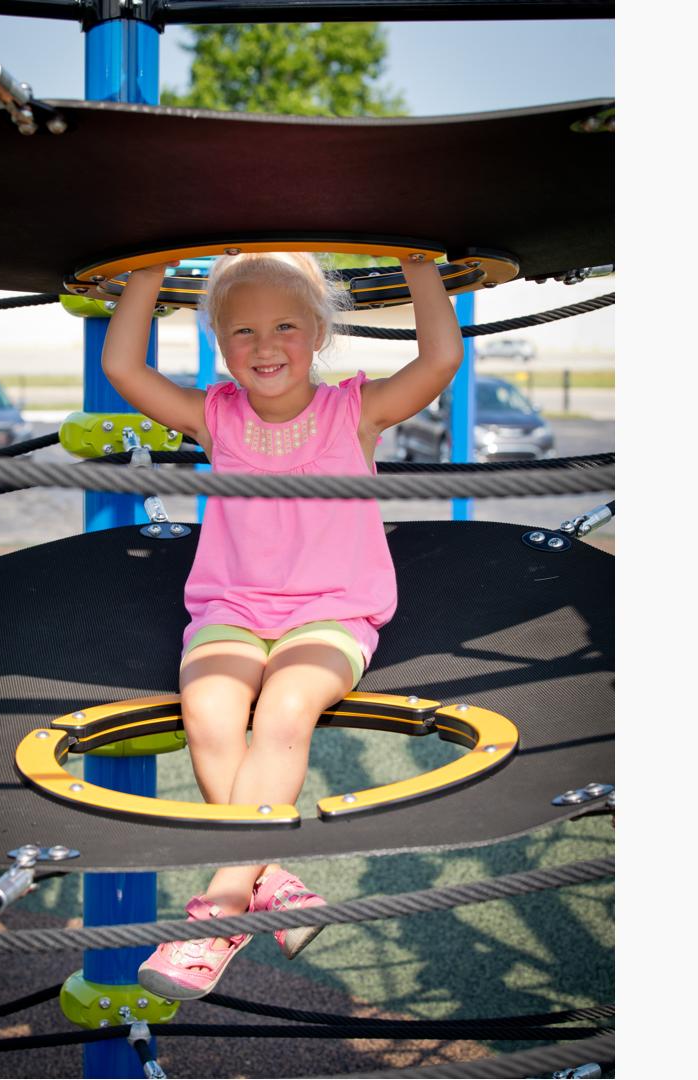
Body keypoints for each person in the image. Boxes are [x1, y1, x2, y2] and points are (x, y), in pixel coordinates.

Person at [99, 250, 464, 1001]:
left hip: (329, 611)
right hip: (232, 609)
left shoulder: (352, 412)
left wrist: (418, 265)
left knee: (286, 710)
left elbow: (439, 359)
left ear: (320, 333)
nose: (265, 347)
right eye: (242, 333)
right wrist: (148, 271)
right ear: (221, 344)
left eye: (286, 327)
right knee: (207, 709)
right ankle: (275, 886)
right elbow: (125, 371)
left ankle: (222, 908)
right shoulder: (217, 417)